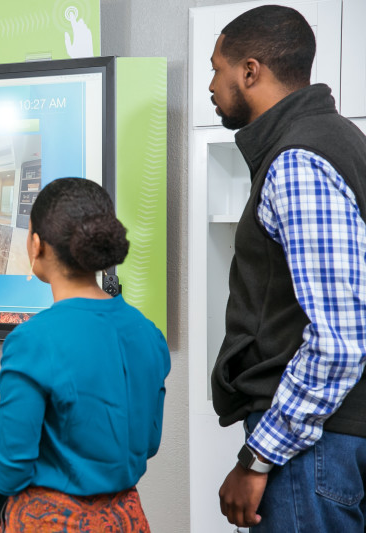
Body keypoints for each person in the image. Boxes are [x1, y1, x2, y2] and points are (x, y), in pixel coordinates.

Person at [209, 5, 366, 531]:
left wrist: (259, 456)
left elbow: (340, 340)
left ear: (249, 71)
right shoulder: (340, 140)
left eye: (217, 69)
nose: (212, 84)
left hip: (315, 446)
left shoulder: (299, 159)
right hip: (331, 438)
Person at [0, 177, 170, 532]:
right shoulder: (148, 333)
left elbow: (12, 464)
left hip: (51, 522)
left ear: (37, 245)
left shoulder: (32, 340)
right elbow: (148, 443)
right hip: (127, 520)